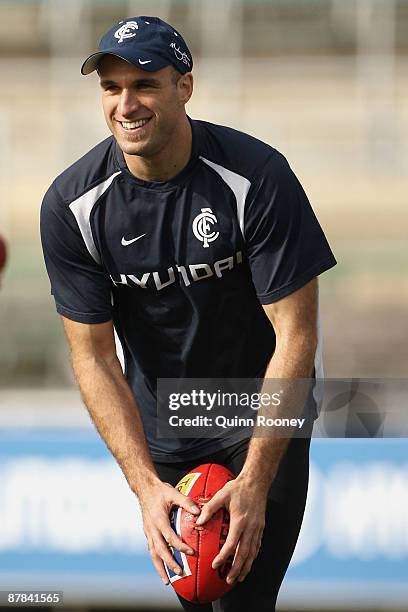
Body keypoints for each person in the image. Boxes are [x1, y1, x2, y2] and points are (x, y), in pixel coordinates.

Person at [40, 16, 336, 612]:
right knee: (198, 596)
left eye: (145, 83)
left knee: (239, 602)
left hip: (257, 416)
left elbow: (296, 336)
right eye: (111, 87)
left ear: (185, 87)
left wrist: (254, 481)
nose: (126, 103)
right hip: (165, 428)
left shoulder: (258, 178)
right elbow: (94, 356)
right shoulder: (72, 206)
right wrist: (144, 486)